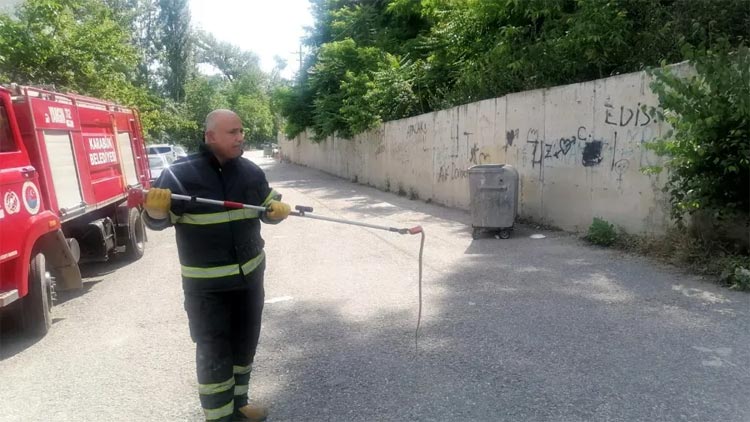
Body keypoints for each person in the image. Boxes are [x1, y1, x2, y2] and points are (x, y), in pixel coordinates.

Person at [143, 109, 291, 421]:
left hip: (250, 279)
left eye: (241, 131)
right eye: (232, 132)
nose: (241, 138)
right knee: (214, 352)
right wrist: (155, 213)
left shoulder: (250, 173)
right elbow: (158, 222)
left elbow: (266, 207)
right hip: (207, 288)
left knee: (244, 345)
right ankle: (220, 418)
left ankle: (239, 405)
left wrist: (274, 211)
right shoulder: (179, 176)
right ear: (210, 137)